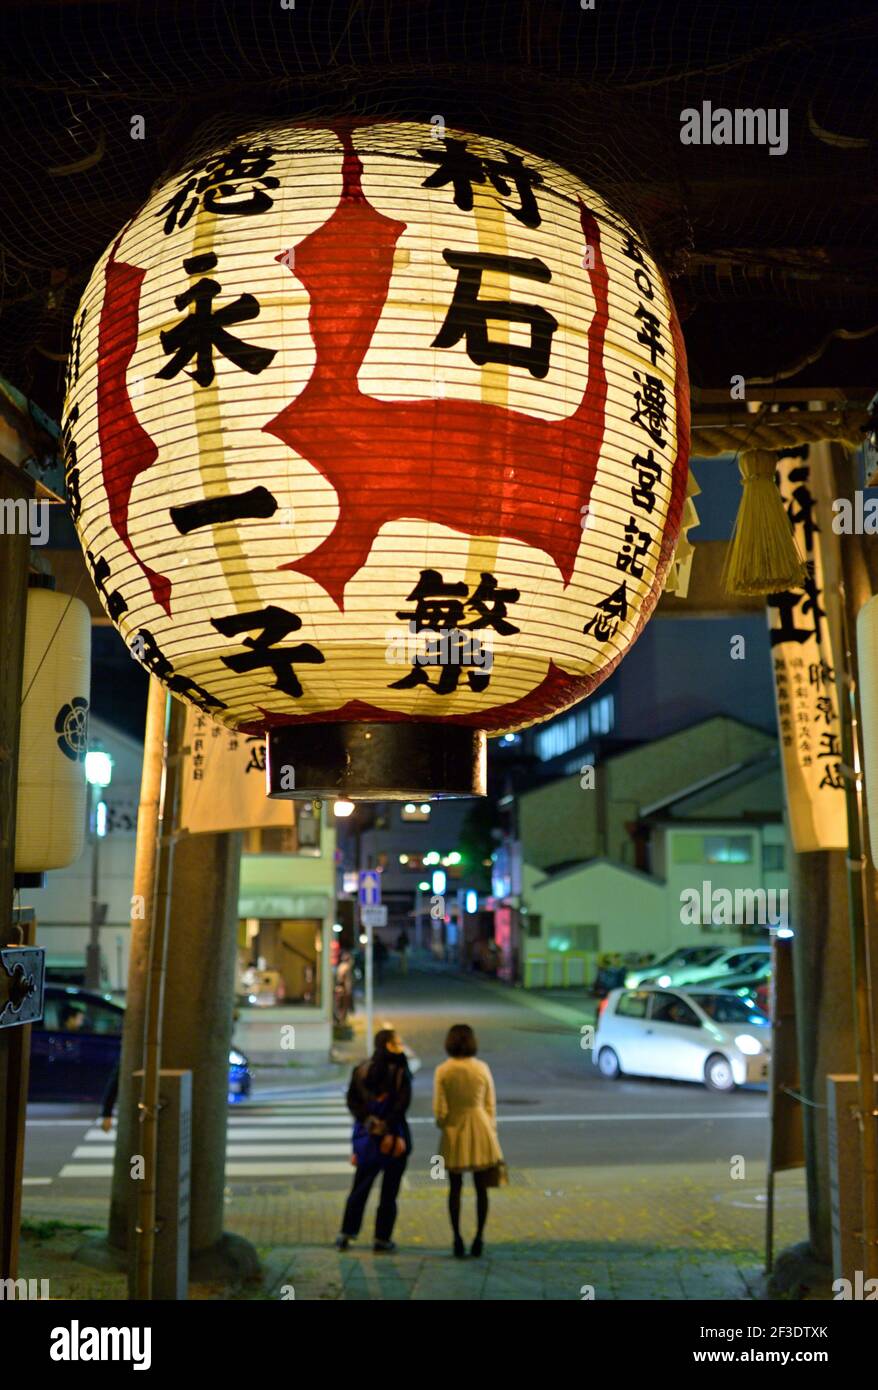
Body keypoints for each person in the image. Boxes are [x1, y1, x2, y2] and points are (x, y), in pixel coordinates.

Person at [336, 1028, 412, 1253]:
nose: (401, 1045)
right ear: (389, 1045)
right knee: (389, 1193)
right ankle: (382, 1238)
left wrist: (371, 1124)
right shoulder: (400, 1071)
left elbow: (353, 1103)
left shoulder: (361, 1070)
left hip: (367, 1139)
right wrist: (387, 1129)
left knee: (360, 1187)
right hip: (394, 1138)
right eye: (397, 1041)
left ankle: (346, 1233)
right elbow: (401, 1106)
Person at [433, 1023, 503, 1259]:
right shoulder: (482, 1068)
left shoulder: (443, 1070)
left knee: (455, 1189)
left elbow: (439, 1112)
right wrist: (490, 1130)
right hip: (481, 1127)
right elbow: (490, 1105)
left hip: (455, 1131)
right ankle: (479, 1238)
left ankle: (457, 1239)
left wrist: (445, 1124)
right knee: (482, 1190)